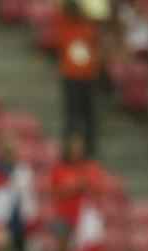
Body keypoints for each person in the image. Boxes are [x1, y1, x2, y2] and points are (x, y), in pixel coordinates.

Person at [56, 0, 103, 157]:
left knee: (89, 115)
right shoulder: (64, 25)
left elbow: (95, 47)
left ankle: (89, 150)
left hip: (87, 77)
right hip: (71, 77)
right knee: (72, 116)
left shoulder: (88, 26)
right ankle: (69, 150)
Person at [48, 132, 106, 251]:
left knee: (92, 244)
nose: (76, 151)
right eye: (73, 148)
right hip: (64, 217)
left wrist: (84, 186)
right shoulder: (59, 169)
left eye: (79, 148)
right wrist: (77, 187)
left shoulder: (91, 167)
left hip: (85, 216)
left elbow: (99, 188)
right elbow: (56, 192)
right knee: (61, 236)